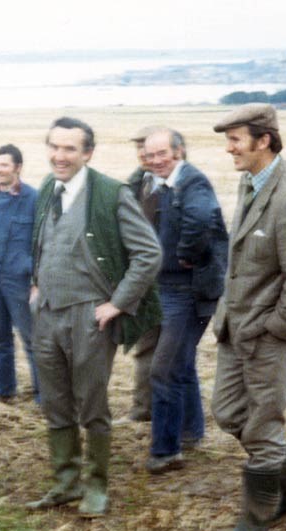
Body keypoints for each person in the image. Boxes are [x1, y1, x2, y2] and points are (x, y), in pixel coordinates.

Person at [26, 117, 162, 517]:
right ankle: (65, 483)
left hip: (90, 316)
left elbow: (148, 254)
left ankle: (97, 487)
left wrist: (118, 303)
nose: (59, 155)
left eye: (69, 148)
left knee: (91, 403)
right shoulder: (48, 189)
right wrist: (36, 284)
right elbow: (42, 243)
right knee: (54, 401)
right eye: (54, 146)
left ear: (87, 153)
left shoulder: (110, 194)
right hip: (48, 314)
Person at [203, 103, 286, 531]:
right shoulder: (250, 182)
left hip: (267, 337)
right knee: (230, 413)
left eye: (235, 139)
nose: (229, 148)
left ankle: (253, 529)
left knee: (263, 430)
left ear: (263, 140)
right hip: (236, 329)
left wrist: (275, 328)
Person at [142, 128, 228, 474]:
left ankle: (166, 451)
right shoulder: (162, 183)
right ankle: (191, 432)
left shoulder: (193, 182)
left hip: (188, 291)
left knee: (163, 371)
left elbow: (201, 218)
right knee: (182, 363)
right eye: (150, 155)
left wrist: (185, 253)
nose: (156, 160)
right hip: (169, 288)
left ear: (179, 151)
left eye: (162, 153)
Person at [0, 144, 39, 403]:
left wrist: (36, 281)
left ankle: (44, 396)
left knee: (32, 340)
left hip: (20, 282)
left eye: (4, 165)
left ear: (18, 168)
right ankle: (4, 391)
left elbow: (42, 243)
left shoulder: (33, 199)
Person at [126, 125, 161, 422]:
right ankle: (143, 408)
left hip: (162, 280)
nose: (142, 155)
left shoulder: (170, 183)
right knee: (146, 346)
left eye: (147, 149)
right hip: (146, 278)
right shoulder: (140, 182)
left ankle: (146, 410)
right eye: (139, 149)